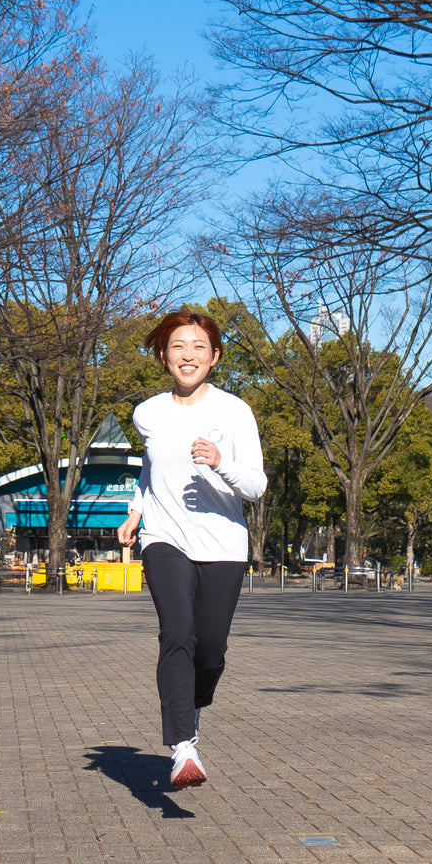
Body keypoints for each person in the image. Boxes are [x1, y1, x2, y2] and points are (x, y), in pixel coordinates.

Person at [117, 310, 265, 789]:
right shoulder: (148, 412)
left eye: (198, 347)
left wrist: (222, 463)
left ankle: (193, 707)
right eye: (178, 346)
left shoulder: (234, 411)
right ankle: (183, 747)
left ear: (215, 356)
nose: (188, 355)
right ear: (164, 356)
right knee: (176, 632)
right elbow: (150, 469)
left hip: (223, 543)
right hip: (164, 537)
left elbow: (257, 487)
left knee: (211, 653)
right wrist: (136, 512)